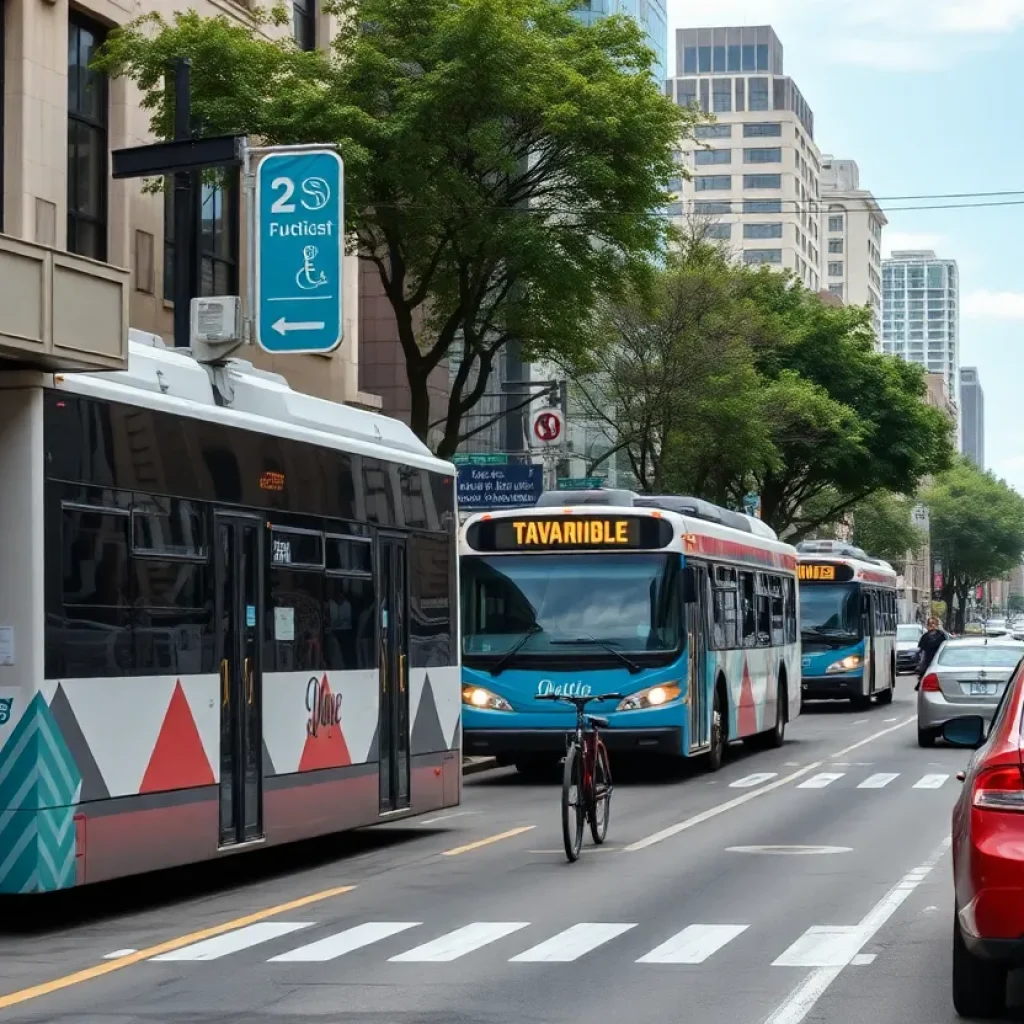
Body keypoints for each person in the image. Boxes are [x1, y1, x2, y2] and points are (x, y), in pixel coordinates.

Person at [915, 616, 949, 690]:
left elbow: (948, 647)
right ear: (927, 626)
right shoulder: (925, 637)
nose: (932, 626)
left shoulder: (942, 635)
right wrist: (921, 665)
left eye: (934, 624)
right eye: (930, 624)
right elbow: (922, 652)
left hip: (940, 661)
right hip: (928, 661)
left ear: (937, 625)